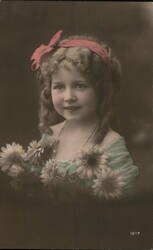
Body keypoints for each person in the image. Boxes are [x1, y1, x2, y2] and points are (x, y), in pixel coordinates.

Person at [29, 29, 139, 201]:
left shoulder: (111, 144)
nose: (68, 97)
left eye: (80, 86)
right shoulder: (50, 136)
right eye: (59, 86)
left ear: (101, 90)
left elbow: (126, 203)